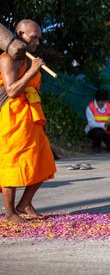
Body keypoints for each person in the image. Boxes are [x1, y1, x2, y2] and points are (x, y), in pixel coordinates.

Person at [0, 19, 56, 223]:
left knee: (44, 161)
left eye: (39, 38)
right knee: (12, 164)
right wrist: (32, 71)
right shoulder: (7, 58)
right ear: (20, 35)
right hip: (10, 117)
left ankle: (24, 204)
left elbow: (34, 91)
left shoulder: (29, 60)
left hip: (31, 118)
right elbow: (12, 91)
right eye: (33, 37)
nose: (37, 42)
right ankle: (9, 213)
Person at [85, 88, 110, 153]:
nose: (103, 103)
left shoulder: (109, 106)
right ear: (96, 100)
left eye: (104, 101)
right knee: (99, 132)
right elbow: (91, 124)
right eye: (101, 101)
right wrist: (104, 124)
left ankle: (106, 145)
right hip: (94, 131)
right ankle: (96, 146)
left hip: (107, 130)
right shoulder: (90, 107)